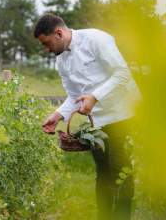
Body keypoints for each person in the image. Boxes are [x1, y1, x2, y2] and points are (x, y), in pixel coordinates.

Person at [33, 13, 142, 220]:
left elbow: (122, 73)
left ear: (59, 32)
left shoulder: (96, 39)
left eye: (47, 43)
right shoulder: (61, 62)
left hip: (123, 112)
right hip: (97, 121)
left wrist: (94, 96)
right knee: (102, 172)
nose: (46, 49)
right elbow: (74, 96)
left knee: (120, 171)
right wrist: (57, 115)